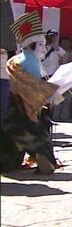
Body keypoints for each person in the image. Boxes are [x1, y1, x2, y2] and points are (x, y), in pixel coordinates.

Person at [0, 11, 58, 174]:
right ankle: (43, 159)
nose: (43, 48)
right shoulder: (30, 60)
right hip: (23, 105)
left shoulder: (16, 59)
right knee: (35, 134)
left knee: (11, 136)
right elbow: (34, 86)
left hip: (9, 104)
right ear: (32, 44)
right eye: (40, 44)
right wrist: (52, 93)